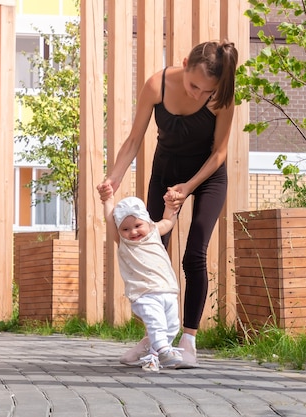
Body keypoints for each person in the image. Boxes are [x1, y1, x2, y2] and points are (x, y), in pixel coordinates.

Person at [97, 40, 239, 368]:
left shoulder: (222, 97)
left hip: (206, 177)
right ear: (184, 62)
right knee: (149, 251)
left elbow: (219, 153)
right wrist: (113, 179)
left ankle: (188, 340)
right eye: (193, 86)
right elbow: (134, 139)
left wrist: (188, 188)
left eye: (206, 92)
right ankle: (154, 341)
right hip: (165, 171)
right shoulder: (156, 84)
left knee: (194, 253)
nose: (197, 95)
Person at [100, 187, 183, 372]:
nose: (133, 232)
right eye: (126, 229)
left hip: (167, 290)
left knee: (172, 326)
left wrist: (170, 205)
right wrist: (108, 201)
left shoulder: (154, 231)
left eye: (138, 225)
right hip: (144, 293)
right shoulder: (124, 243)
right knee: (156, 323)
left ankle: (153, 357)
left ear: (147, 221)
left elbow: (168, 220)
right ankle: (163, 350)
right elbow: (109, 220)